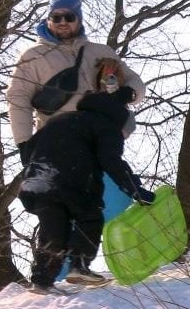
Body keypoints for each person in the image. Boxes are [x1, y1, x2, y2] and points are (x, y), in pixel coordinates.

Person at [18, 87, 156, 292]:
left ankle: (42, 279)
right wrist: (136, 191)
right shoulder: (107, 126)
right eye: (125, 134)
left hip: (37, 181)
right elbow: (111, 161)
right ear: (121, 124)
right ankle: (78, 266)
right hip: (70, 181)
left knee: (54, 228)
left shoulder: (61, 119)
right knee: (89, 219)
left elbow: (28, 150)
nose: (124, 139)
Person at [7, 0, 146, 164]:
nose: (62, 22)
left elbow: (137, 83)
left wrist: (128, 93)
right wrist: (24, 143)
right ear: (48, 20)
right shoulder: (33, 56)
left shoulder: (100, 52)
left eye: (69, 17)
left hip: (100, 142)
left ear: (79, 19)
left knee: (111, 185)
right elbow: (18, 98)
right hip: (57, 143)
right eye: (56, 17)